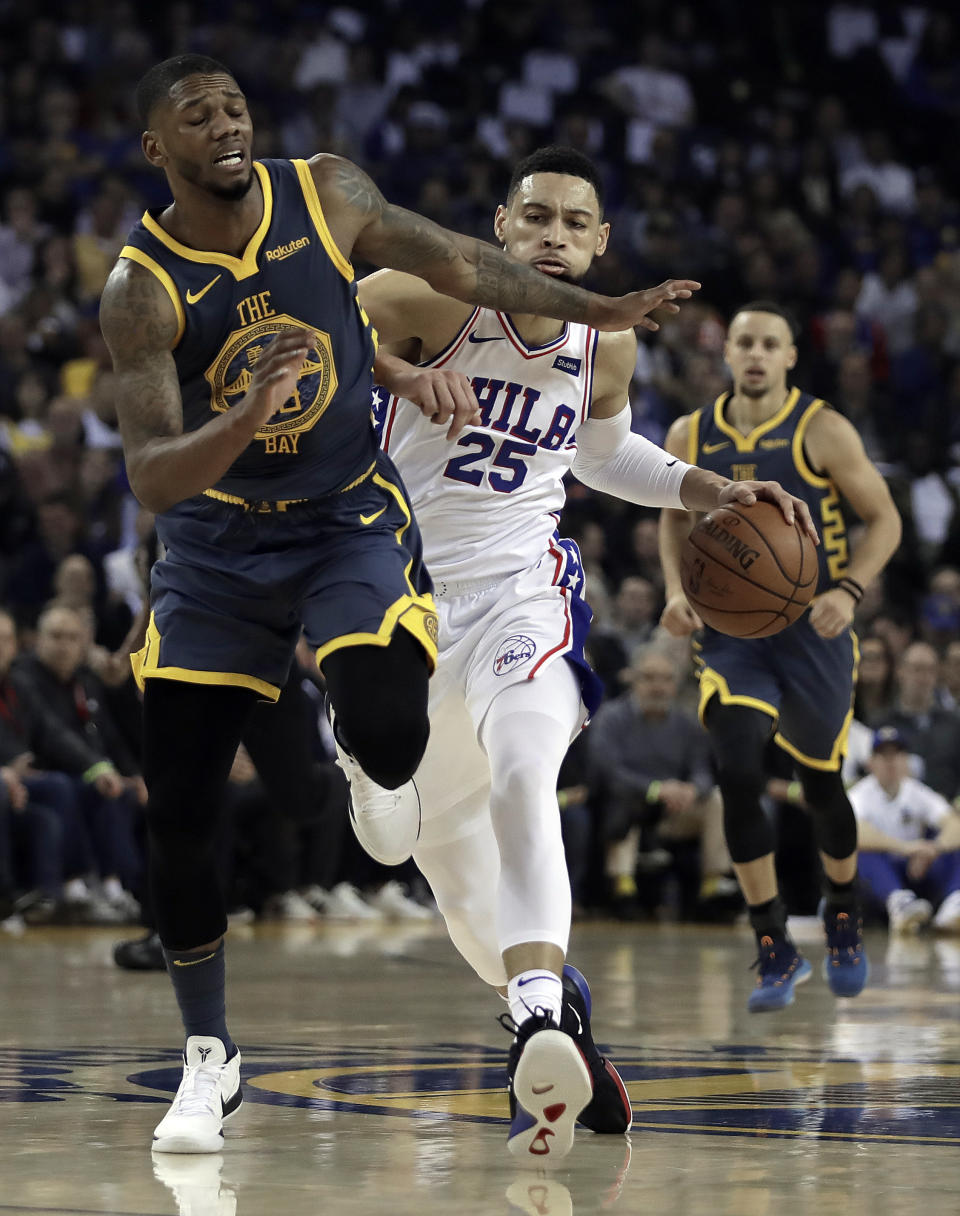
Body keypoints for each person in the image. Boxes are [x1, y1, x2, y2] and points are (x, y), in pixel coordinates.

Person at [98, 58, 703, 1157]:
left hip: (415, 554)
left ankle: (536, 1015)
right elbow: (194, 434)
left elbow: (581, 416)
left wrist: (690, 464)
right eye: (198, 116)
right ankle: (515, 1015)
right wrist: (371, 375)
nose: (226, 126)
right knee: (299, 825)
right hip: (267, 551)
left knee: (499, 765)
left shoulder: (342, 204)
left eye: (236, 106)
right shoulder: (172, 285)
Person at [354, 146, 815, 1160]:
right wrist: (386, 370)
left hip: (524, 595)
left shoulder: (605, 345)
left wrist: (713, 490)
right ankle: (563, 1019)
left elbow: (602, 455)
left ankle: (538, 1013)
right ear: (501, 227)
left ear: (601, 243)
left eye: (575, 223)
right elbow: (299, 331)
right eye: (537, 218)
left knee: (528, 767)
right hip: (398, 616)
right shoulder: (423, 294)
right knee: (464, 906)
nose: (555, 236)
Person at [659, 300, 902, 1012]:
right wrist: (678, 591)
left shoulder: (821, 429)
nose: (757, 353)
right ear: (726, 353)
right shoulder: (688, 432)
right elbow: (673, 520)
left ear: (792, 356)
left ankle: (843, 914)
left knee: (820, 787)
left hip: (814, 630)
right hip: (732, 634)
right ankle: (773, 942)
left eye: (771, 343)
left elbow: (883, 517)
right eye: (745, 342)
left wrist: (851, 591)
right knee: (736, 768)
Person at [586, 646, 734, 920]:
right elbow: (608, 771)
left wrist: (692, 790)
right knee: (624, 807)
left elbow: (702, 770)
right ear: (632, 678)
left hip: (673, 810)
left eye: (666, 679)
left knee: (716, 799)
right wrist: (655, 788)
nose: (658, 687)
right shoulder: (610, 717)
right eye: (650, 677)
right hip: (627, 805)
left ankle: (714, 886)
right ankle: (623, 890)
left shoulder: (687, 723)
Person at [850, 726, 960, 934]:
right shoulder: (860, 795)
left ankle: (955, 901)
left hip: (916, 869)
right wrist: (906, 848)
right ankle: (898, 902)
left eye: (897, 754)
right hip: (879, 879)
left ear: (906, 760)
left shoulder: (915, 791)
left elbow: (954, 825)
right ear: (871, 762)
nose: (891, 761)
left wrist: (933, 849)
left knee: (951, 843)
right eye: (884, 755)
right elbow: (854, 832)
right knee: (860, 852)